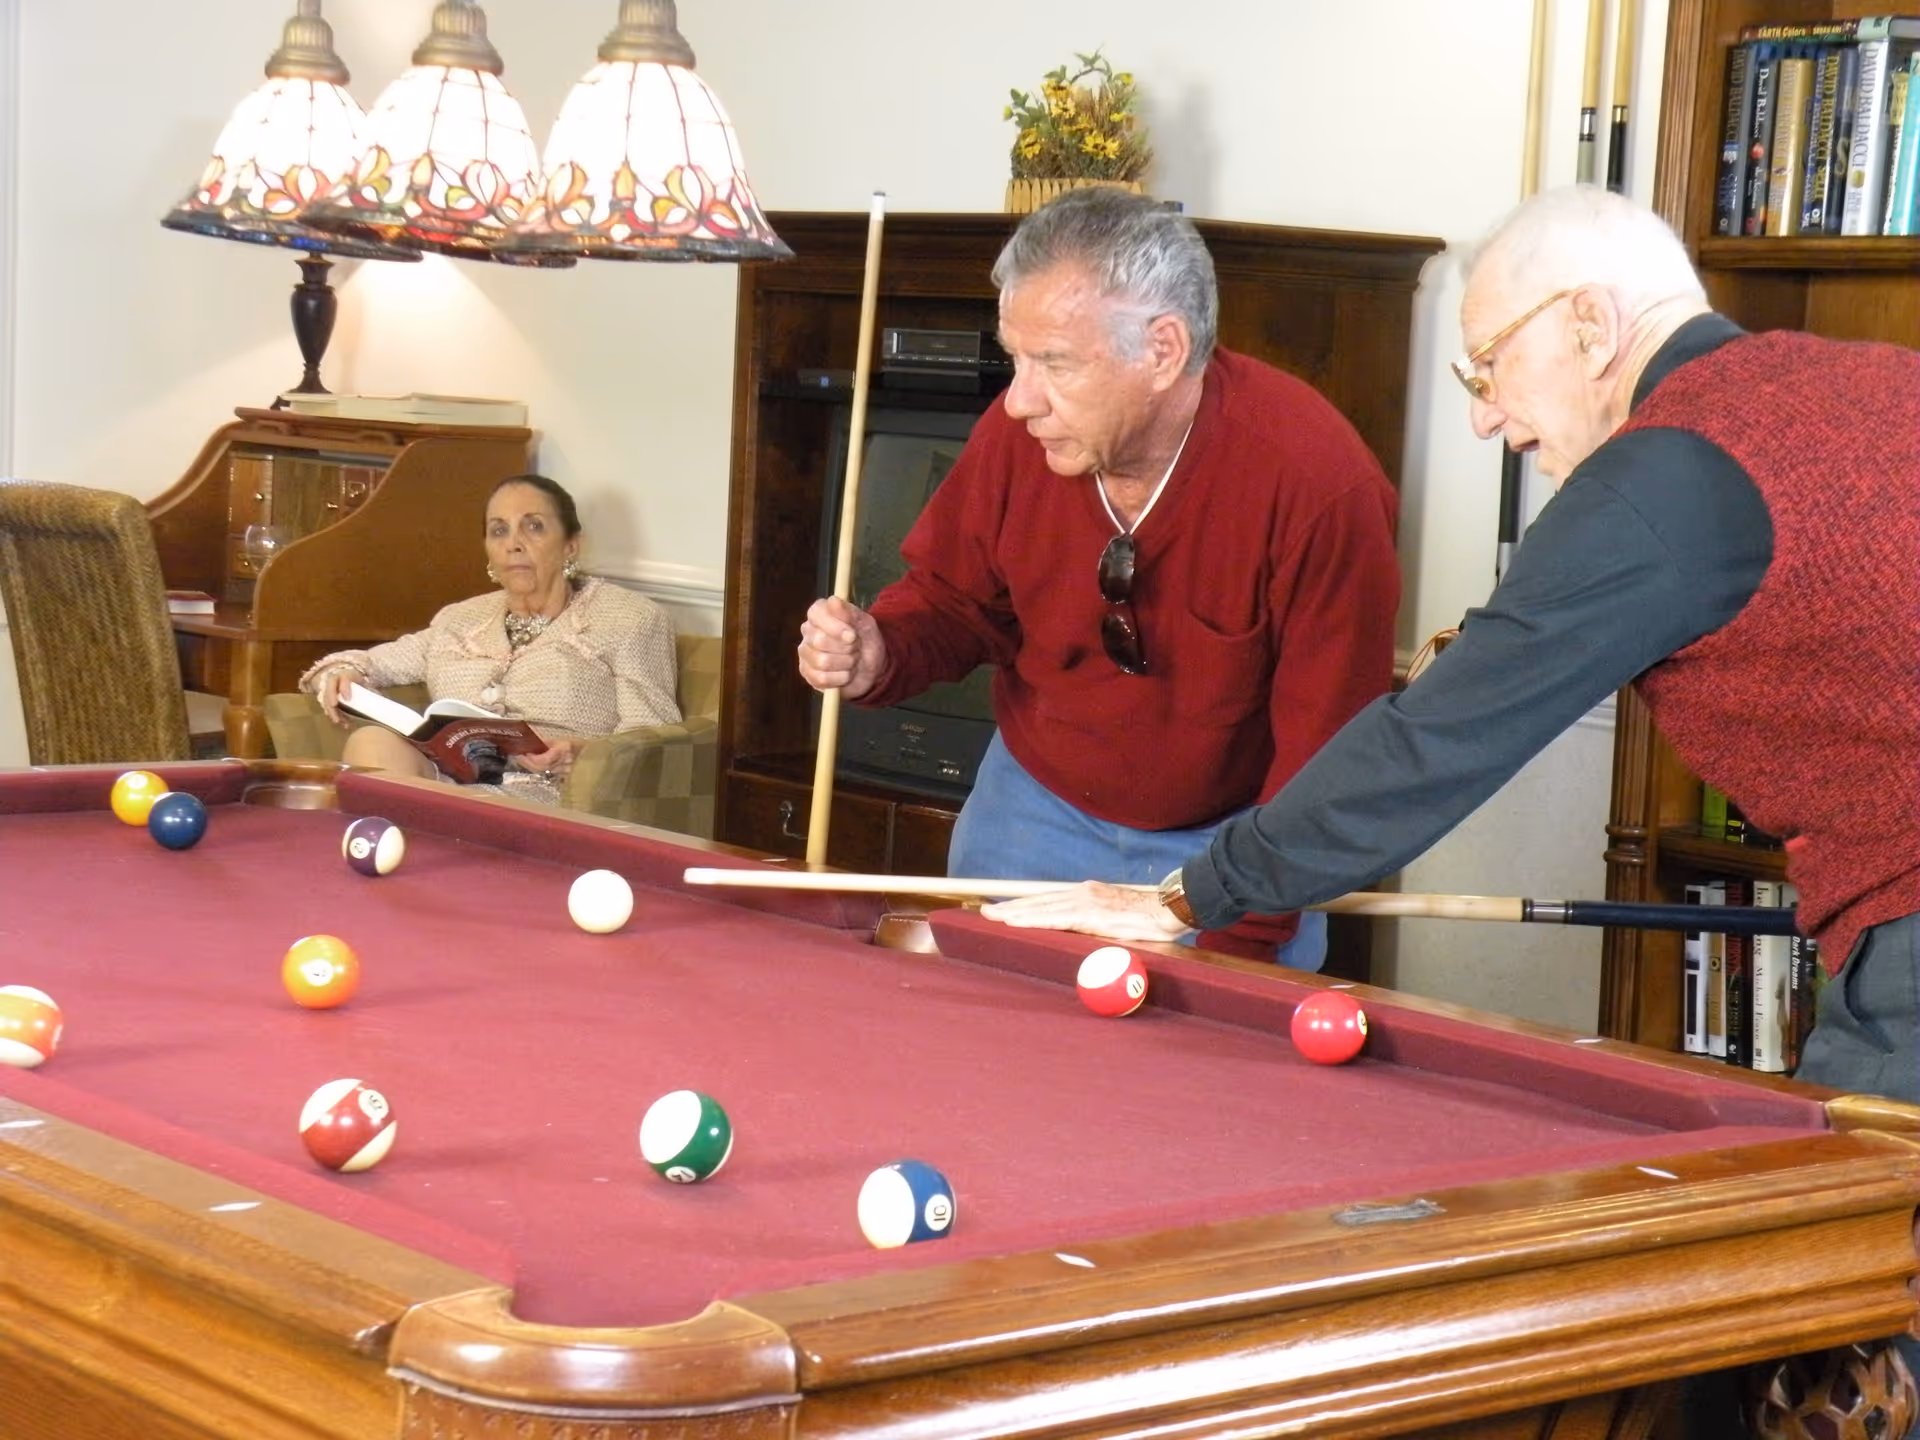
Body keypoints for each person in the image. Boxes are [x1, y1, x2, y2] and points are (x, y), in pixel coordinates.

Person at [981, 183, 1920, 1416]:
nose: (1485, 419)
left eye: (1491, 365)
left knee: (1810, 1326)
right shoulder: (1865, 382)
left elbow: (1435, 744)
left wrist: (1188, 893)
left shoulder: (1668, 474)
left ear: (1589, 321)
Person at [796, 187, 1401, 970]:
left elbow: (1324, 763)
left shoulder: (1320, 485)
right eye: (1016, 357)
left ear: (1162, 350)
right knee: (984, 1067)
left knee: (1205, 1087)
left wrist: (1236, 942)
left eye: (1054, 363)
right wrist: (883, 650)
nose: (1018, 400)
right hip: (1030, 813)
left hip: (1230, 849)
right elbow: (954, 601)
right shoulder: (1017, 439)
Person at [302, 473, 681, 804]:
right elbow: (367, 662)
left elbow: (652, 738)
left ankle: (416, 834)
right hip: (446, 779)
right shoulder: (460, 618)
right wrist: (344, 673)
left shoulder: (631, 618)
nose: (513, 543)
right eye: (499, 530)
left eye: (533, 527)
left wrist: (583, 754)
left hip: (547, 790)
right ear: (488, 550)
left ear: (571, 544)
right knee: (373, 744)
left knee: (409, 798)